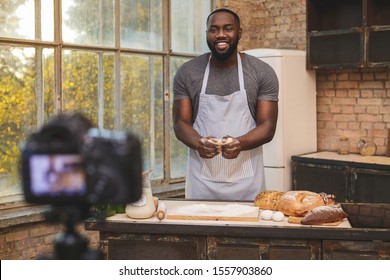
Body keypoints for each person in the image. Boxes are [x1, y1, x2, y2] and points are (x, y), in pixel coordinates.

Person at [173, 8, 279, 201]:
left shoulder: (262, 72)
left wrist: (240, 143)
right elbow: (181, 123)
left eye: (227, 28)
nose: (220, 34)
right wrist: (199, 143)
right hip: (201, 185)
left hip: (247, 185)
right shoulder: (188, 72)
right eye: (214, 29)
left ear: (239, 32)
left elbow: (268, 127)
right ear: (207, 34)